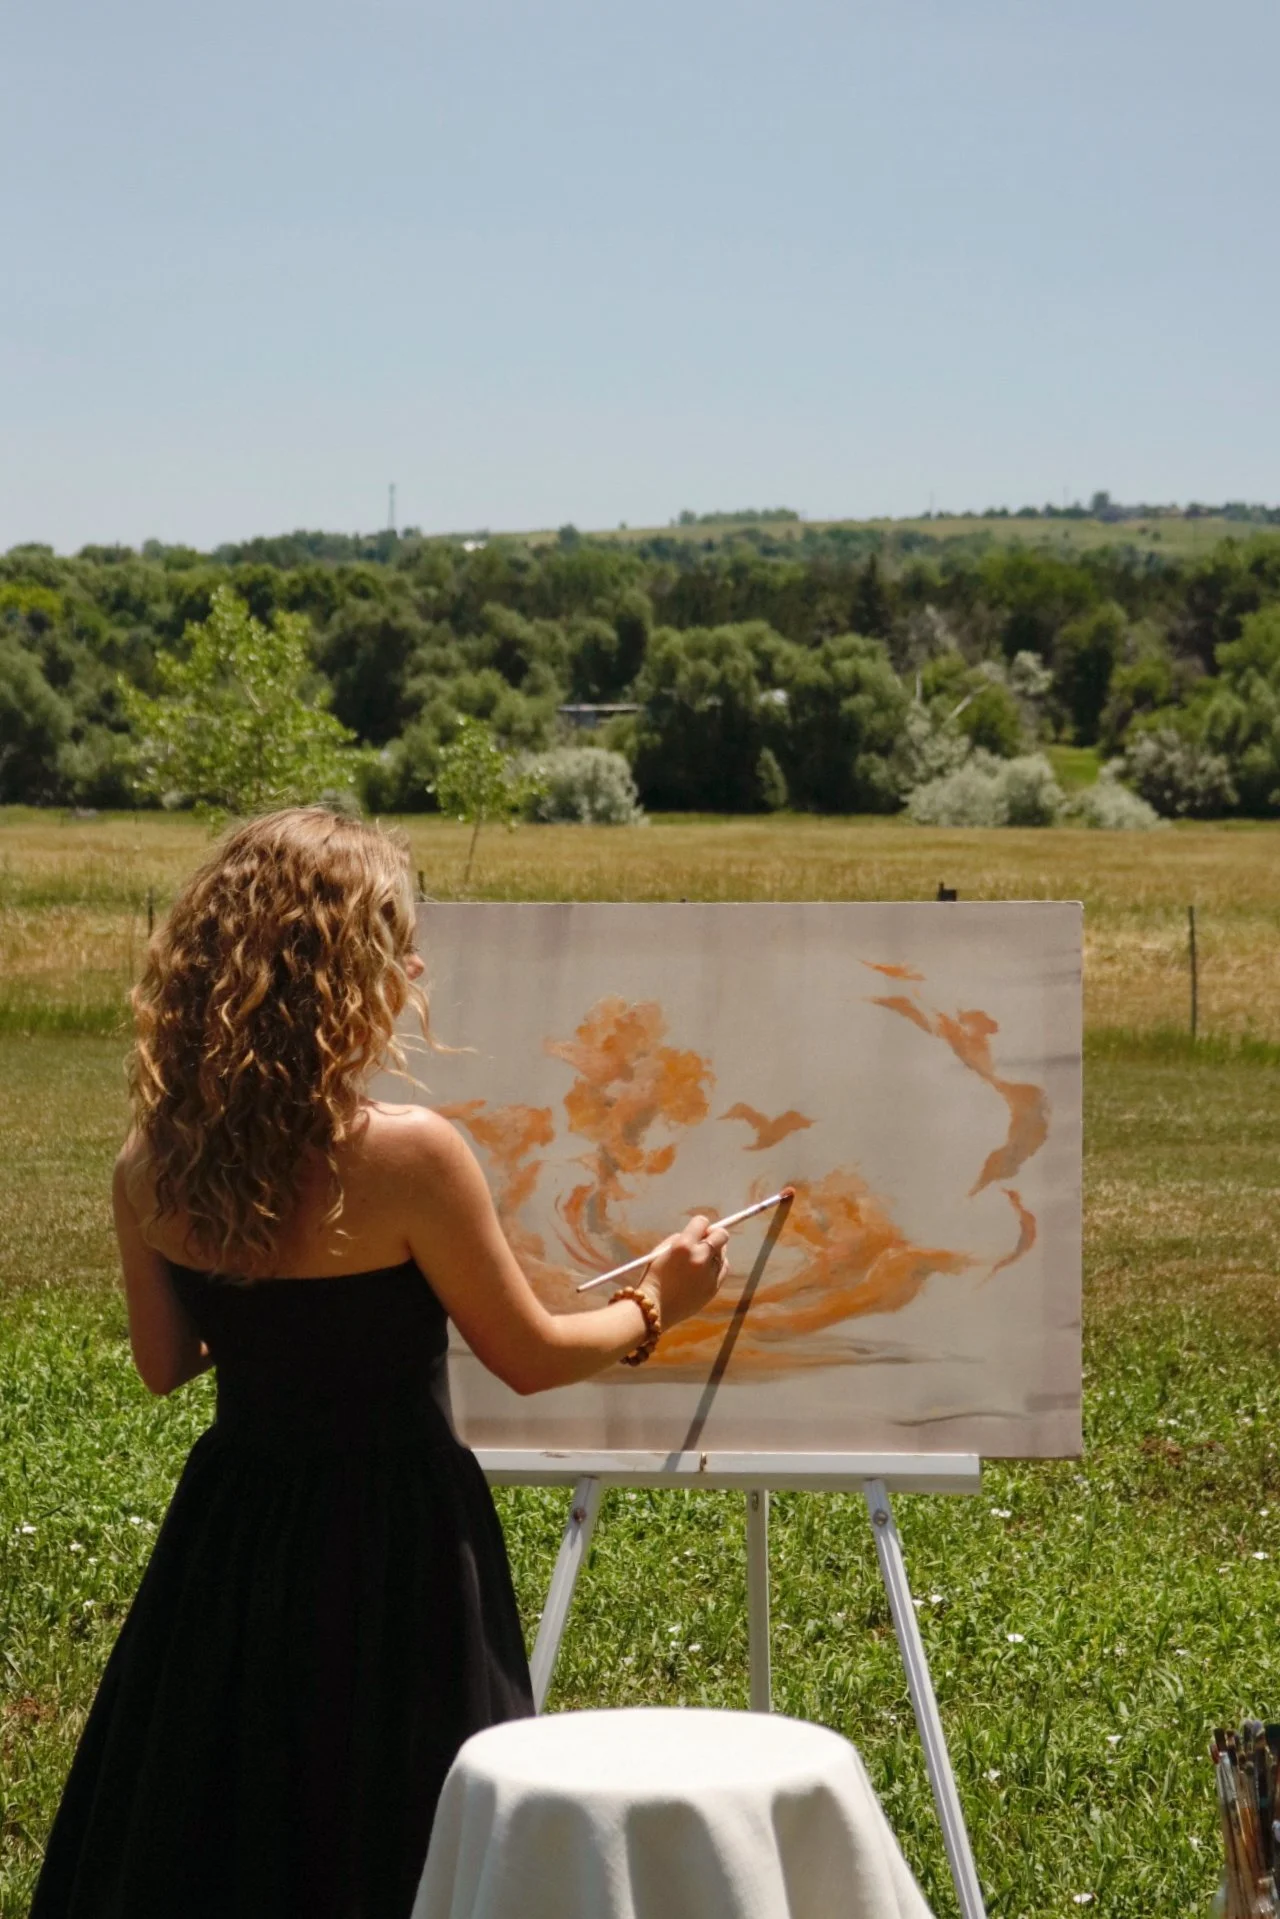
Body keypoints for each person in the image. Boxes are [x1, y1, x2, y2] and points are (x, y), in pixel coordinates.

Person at [32, 807, 728, 1919]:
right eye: (395, 942)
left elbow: (165, 1363)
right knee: (402, 1826)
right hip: (396, 1536)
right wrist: (660, 1300)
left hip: (235, 1536)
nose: (414, 966)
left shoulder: (151, 1159)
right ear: (343, 975)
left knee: (229, 1819)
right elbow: (532, 1355)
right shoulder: (406, 1155)